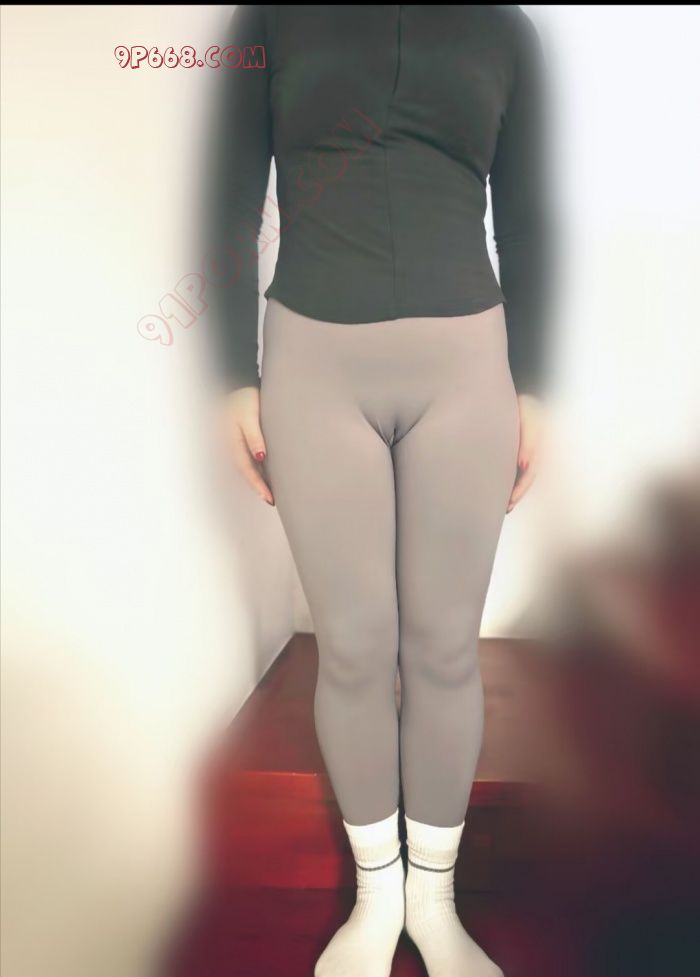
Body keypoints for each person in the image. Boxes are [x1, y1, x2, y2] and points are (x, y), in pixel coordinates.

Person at [205, 5, 552, 976]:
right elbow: (227, 201)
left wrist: (536, 385)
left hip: (467, 369)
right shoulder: (268, 19)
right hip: (313, 362)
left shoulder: (503, 29)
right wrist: (230, 373)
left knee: (443, 645)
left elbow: (528, 215)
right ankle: (377, 893)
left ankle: (435, 902)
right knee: (354, 646)